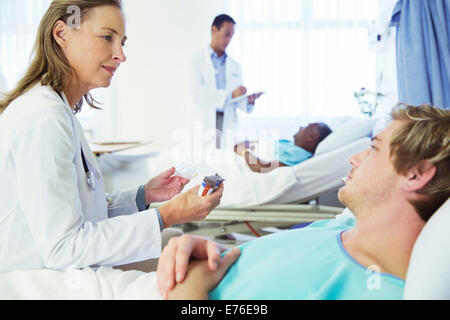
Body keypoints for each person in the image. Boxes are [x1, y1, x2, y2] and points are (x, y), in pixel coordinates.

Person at [0, 0, 224, 273]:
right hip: (40, 281)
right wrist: (169, 214)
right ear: (62, 34)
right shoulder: (43, 118)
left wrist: (143, 196)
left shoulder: (58, 110)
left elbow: (82, 211)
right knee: (189, 262)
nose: (120, 54)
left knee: (177, 246)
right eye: (107, 37)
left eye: (122, 42)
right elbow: (64, 248)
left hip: (65, 269)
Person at [157, 104, 450, 300]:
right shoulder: (345, 226)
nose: (354, 158)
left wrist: (189, 296)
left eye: (373, 149)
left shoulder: (374, 289)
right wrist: (217, 252)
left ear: (416, 173)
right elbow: (274, 269)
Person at [189, 14, 264, 149]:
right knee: (205, 163)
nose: (229, 39)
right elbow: (197, 93)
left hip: (228, 123)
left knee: (227, 164)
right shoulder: (197, 61)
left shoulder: (235, 66)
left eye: (232, 35)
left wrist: (248, 100)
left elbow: (237, 102)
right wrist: (230, 94)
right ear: (214, 30)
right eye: (226, 34)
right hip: (205, 121)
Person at [234, 122, 332, 173]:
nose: (301, 127)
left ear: (312, 137)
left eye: (306, 126)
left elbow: (261, 167)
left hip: (240, 162)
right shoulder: (290, 143)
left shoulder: (298, 155)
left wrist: (244, 151)